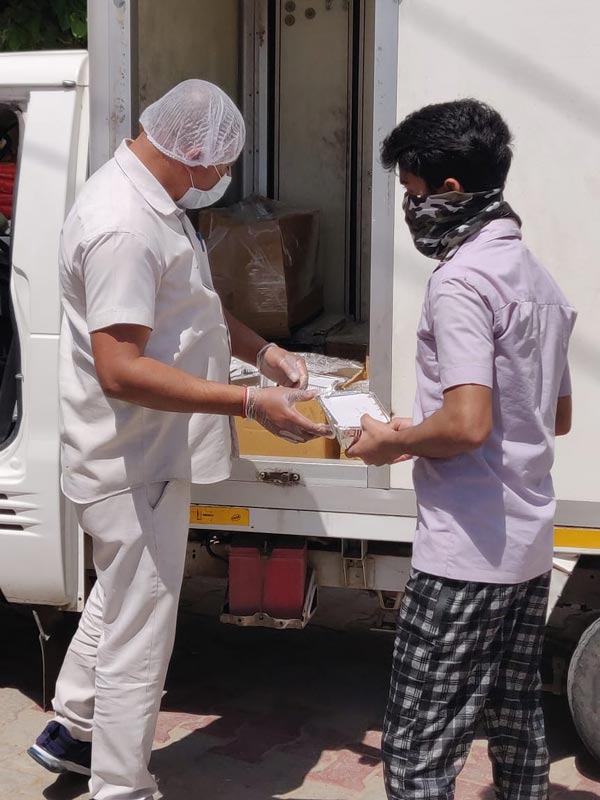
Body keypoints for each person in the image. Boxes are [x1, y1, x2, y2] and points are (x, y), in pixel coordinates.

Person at [27, 79, 328, 800]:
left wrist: (261, 353)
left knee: (126, 594)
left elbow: (191, 303)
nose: (223, 179)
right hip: (134, 457)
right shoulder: (124, 225)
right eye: (220, 166)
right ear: (190, 153)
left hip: (147, 455)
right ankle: (122, 787)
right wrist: (251, 401)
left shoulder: (154, 204)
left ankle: (71, 728)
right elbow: (123, 370)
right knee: (141, 634)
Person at [347, 99, 576, 800]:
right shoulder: (539, 282)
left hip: (464, 554)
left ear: (451, 192)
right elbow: (557, 416)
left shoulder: (461, 283)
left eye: (413, 194)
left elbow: (468, 423)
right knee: (516, 726)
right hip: (526, 545)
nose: (411, 210)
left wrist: (395, 442)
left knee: (419, 746)